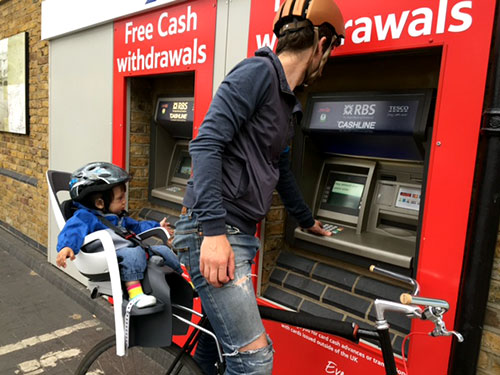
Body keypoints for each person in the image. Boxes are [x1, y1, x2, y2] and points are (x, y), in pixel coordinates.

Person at [56, 161, 182, 309]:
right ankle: (135, 294)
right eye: (120, 198)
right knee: (133, 254)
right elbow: (72, 231)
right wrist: (66, 247)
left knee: (163, 250)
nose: (124, 202)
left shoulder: (117, 217)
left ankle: (183, 283)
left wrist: (157, 226)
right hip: (107, 255)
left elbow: (137, 227)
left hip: (130, 250)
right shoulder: (84, 217)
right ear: (100, 203)